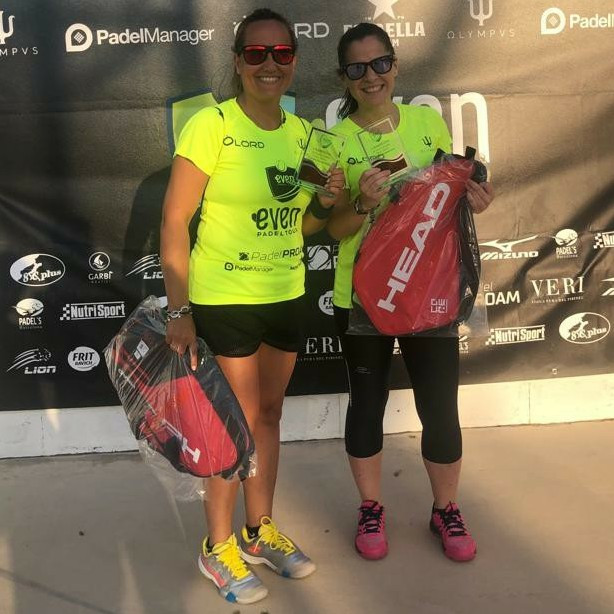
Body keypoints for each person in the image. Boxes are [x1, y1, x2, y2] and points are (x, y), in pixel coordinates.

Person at [160, 9, 343, 604]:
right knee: (233, 425)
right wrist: (179, 311)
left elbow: (305, 225)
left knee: (268, 414)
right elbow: (174, 221)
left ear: (294, 61)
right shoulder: (211, 126)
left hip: (285, 292)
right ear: (238, 61)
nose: (269, 64)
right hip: (225, 298)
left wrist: (328, 202)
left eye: (281, 54)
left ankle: (258, 531)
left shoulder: (305, 135)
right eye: (257, 53)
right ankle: (217, 547)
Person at [327, 23, 494, 563]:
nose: (371, 76)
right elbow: (332, 230)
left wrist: (474, 196)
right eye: (357, 68)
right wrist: (362, 204)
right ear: (344, 78)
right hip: (364, 296)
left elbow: (447, 201)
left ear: (395, 66)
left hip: (430, 289)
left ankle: (445, 509)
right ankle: (370, 508)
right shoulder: (333, 140)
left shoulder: (426, 122)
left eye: (380, 63)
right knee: (366, 406)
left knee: (439, 407)